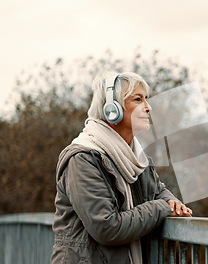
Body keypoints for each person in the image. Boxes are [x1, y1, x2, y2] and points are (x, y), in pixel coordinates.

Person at [51, 72, 192, 264]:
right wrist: (162, 207)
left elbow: (158, 192)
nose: (148, 107)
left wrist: (172, 202)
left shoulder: (136, 158)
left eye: (146, 99)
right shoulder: (82, 159)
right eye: (138, 99)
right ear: (112, 109)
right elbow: (107, 228)